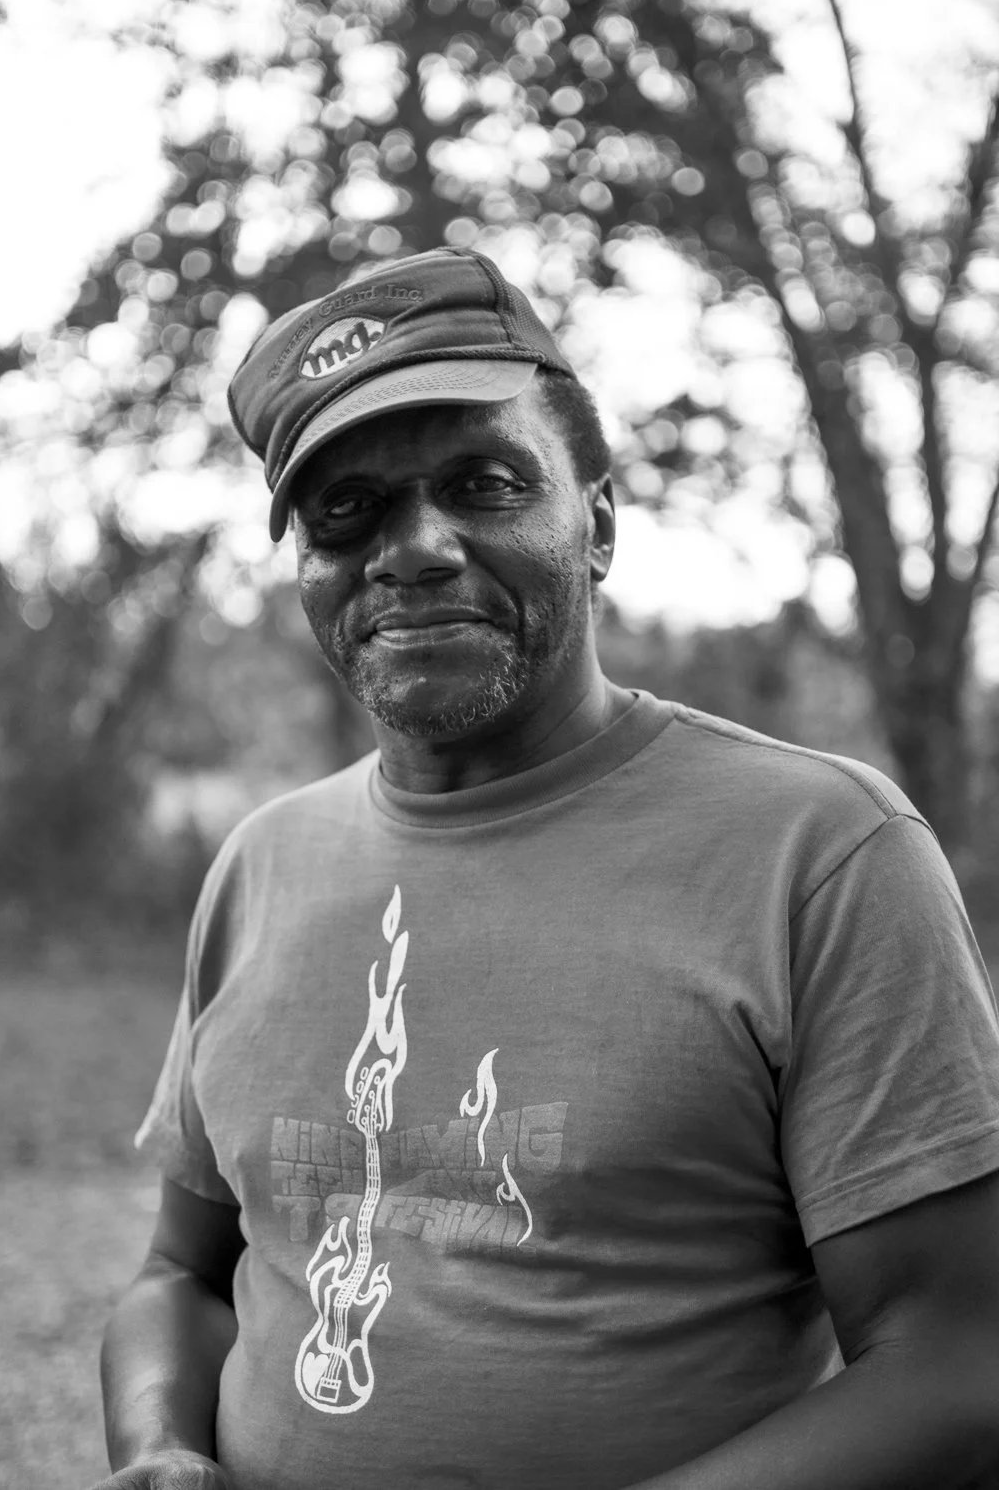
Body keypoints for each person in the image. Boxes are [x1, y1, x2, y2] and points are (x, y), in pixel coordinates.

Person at [93, 246, 999, 1490]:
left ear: (599, 524)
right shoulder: (264, 865)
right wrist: (159, 1449)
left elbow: (953, 1363)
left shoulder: (820, 852)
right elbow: (182, 1277)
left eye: (482, 482)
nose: (413, 549)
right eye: (344, 511)